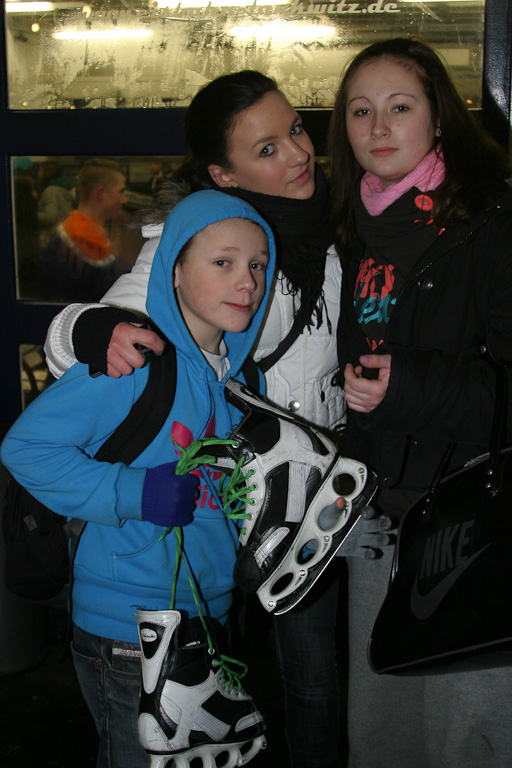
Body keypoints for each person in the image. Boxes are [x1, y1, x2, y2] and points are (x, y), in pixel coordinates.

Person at [43, 71, 352, 768]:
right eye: (266, 149)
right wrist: (92, 333)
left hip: (303, 501)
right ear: (223, 173)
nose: (298, 154)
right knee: (196, 692)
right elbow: (86, 337)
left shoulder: (338, 235)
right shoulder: (197, 242)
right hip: (207, 519)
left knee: (311, 676)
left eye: (295, 131)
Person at [1, 189, 276, 768]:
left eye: (257, 265)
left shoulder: (241, 382)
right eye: (222, 262)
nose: (246, 282)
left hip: (208, 618)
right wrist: (134, 492)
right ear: (174, 270)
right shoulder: (134, 363)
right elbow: (26, 448)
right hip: (128, 628)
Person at [329, 37, 512, 768]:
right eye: (360, 111)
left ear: (439, 118)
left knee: (467, 734)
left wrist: (407, 387)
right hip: (378, 515)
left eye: (399, 107)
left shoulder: (493, 222)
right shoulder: (350, 228)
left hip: (472, 524)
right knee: (381, 729)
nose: (378, 127)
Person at [40, 158, 127, 302]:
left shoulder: (79, 233)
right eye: (121, 192)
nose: (124, 200)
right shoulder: (80, 240)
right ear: (101, 193)